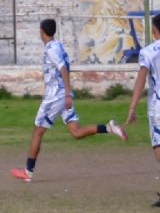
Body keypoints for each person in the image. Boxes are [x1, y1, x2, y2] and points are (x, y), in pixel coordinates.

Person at [11, 19, 126, 182]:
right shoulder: (58, 46)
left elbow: (63, 68)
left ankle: (28, 172)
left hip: (56, 97)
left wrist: (67, 94)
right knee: (76, 132)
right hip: (63, 96)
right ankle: (109, 128)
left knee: (38, 131)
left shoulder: (51, 49)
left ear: (42, 31)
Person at [125, 14, 160, 207]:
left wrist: (132, 107)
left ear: (154, 30)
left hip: (158, 107)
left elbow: (140, 79)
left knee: (158, 151)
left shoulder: (148, 52)